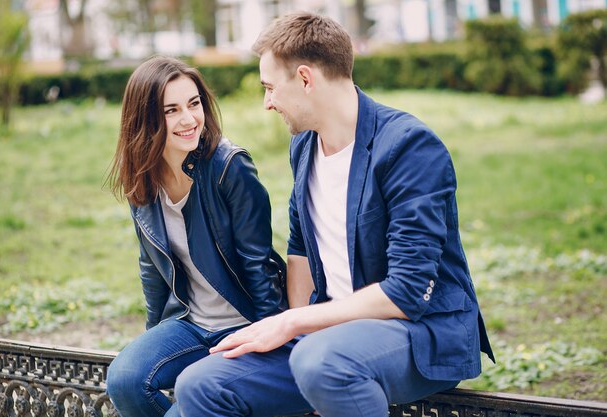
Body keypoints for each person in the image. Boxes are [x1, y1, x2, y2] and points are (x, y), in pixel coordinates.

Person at [173, 12, 495, 417]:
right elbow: (300, 248)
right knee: (200, 385)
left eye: (270, 87)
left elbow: (408, 291)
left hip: (418, 332)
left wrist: (296, 325)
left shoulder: (409, 147)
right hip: (326, 337)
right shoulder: (304, 146)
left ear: (306, 79)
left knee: (321, 363)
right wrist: (297, 323)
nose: (267, 102)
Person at [105, 56, 286, 417]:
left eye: (194, 103)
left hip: (242, 326)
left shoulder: (229, 168)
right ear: (146, 120)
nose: (189, 119)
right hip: (190, 322)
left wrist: (274, 347)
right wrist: (153, 341)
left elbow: (258, 264)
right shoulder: (142, 180)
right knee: (124, 379)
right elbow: (152, 270)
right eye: (171, 110)